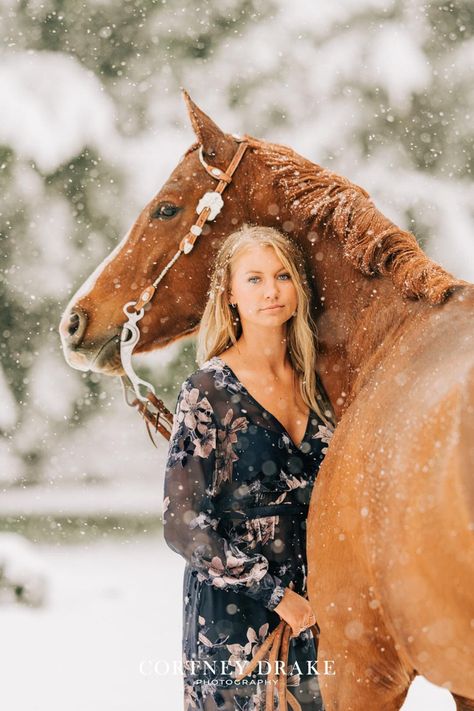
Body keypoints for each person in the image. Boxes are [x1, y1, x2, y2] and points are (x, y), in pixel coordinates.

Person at [162, 224, 335, 711]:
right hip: (233, 620)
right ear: (230, 294)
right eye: (254, 279)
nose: (271, 291)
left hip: (321, 613)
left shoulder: (322, 387)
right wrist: (276, 594)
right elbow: (184, 525)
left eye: (282, 276)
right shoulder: (207, 391)